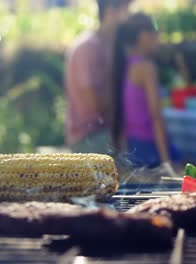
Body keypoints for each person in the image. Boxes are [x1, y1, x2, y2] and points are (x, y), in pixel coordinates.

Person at [112, 13, 180, 169]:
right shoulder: (146, 68)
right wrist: (166, 162)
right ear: (143, 35)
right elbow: (156, 117)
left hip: (133, 148)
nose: (159, 37)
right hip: (149, 149)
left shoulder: (124, 65)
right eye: (156, 31)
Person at [65, 0, 132, 154]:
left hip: (104, 134)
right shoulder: (88, 47)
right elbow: (93, 103)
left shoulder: (105, 44)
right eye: (126, 10)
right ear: (110, 11)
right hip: (89, 138)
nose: (129, 17)